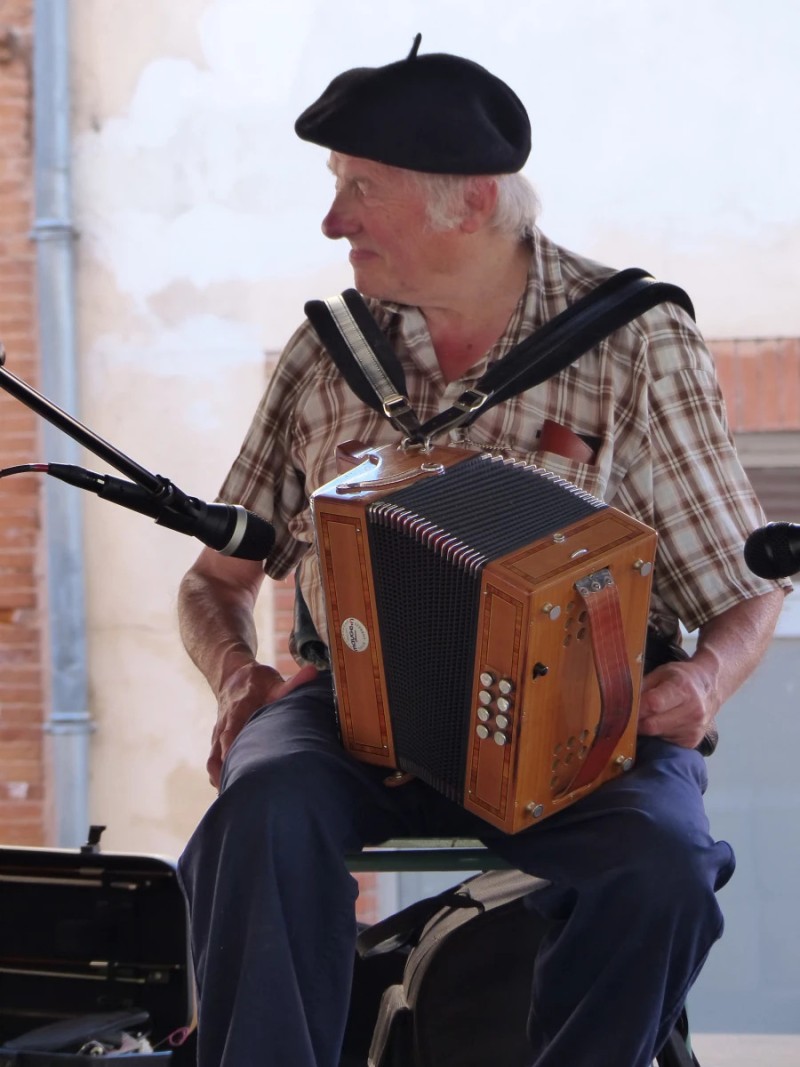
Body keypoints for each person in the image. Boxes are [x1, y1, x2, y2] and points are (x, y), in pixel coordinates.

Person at [176, 38, 789, 1067]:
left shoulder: (633, 339)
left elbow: (748, 583)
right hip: (355, 709)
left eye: (359, 189)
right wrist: (237, 674)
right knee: (259, 808)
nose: (332, 221)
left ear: (469, 203)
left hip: (578, 716)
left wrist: (702, 682)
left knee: (663, 866)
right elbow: (215, 577)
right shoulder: (328, 353)